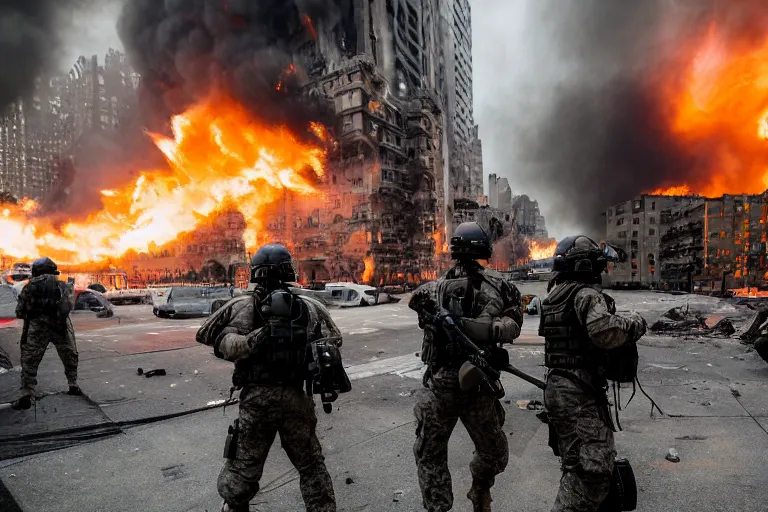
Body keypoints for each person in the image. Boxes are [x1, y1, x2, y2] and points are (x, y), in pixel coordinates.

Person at [196, 244, 343, 512]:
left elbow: (209, 336)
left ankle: (234, 505)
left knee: (244, 468)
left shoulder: (241, 306)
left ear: (255, 273)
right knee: (311, 465)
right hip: (296, 397)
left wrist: (255, 338)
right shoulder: (309, 307)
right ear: (289, 270)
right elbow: (334, 340)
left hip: (257, 400)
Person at [409, 221, 523, 512]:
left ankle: (453, 502)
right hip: (471, 383)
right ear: (483, 248)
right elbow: (515, 325)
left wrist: (483, 330)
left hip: (454, 382)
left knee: (432, 457)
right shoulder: (499, 286)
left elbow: (510, 324)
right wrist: (495, 330)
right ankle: (480, 490)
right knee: (493, 453)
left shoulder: (431, 290)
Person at [539, 236, 646, 512]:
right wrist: (634, 324)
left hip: (562, 387)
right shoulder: (585, 295)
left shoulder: (556, 294)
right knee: (593, 474)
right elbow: (604, 333)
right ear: (586, 265)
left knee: (577, 462)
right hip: (578, 392)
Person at [13, 257, 79, 409]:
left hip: (37, 327)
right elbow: (68, 306)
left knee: (29, 360)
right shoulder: (62, 285)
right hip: (60, 325)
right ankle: (73, 384)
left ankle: (27, 393)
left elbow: (20, 312)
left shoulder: (28, 287)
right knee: (69, 354)